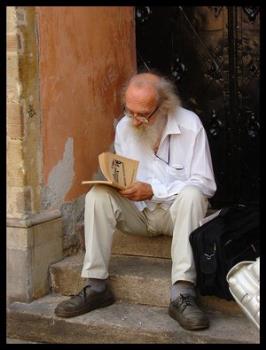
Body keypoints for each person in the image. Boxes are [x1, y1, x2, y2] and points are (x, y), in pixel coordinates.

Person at [55, 72, 217, 331]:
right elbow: (124, 170)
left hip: (176, 216)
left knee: (193, 195)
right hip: (139, 216)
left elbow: (206, 184)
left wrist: (153, 190)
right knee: (97, 195)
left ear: (164, 106)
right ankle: (96, 285)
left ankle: (182, 293)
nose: (135, 120)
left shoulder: (190, 125)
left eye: (143, 114)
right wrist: (120, 186)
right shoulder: (124, 127)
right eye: (130, 112)